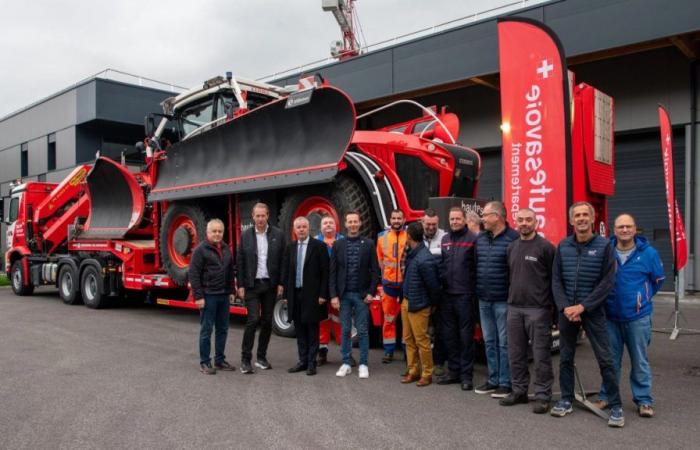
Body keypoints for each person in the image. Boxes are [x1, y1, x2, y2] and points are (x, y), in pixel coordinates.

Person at [550, 201, 624, 428]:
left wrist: (583, 307)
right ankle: (565, 399)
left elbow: (607, 282)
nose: (581, 219)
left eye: (585, 215)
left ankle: (616, 405)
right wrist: (565, 308)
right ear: (571, 220)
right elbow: (556, 280)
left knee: (605, 358)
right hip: (567, 312)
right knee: (566, 357)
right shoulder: (563, 246)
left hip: (593, 311)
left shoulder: (604, 247)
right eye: (577, 216)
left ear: (592, 219)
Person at [596, 213, 664, 418]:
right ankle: (606, 396)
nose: (624, 230)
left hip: (638, 318)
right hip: (610, 317)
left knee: (640, 360)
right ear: (613, 230)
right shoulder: (606, 251)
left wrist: (641, 299)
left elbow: (658, 280)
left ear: (635, 229)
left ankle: (644, 400)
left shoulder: (649, 253)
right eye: (620, 227)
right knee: (610, 361)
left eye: (628, 227)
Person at [500, 208, 556, 413]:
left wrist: (553, 311)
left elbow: (554, 280)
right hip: (514, 308)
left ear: (536, 222)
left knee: (541, 356)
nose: (524, 223)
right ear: (516, 222)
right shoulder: (511, 247)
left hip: (538, 310)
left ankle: (542, 395)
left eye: (528, 220)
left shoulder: (546, 248)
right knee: (516, 354)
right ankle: (519, 391)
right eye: (521, 220)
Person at [474, 201, 519, 398]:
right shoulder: (481, 239)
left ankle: (505, 382)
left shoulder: (514, 239)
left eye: (485, 215)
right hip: (484, 299)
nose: (482, 218)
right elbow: (476, 264)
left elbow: (517, 271)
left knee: (504, 343)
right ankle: (492, 379)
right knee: (489, 341)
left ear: (497, 217)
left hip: (503, 300)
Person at [330, 211, 380, 379]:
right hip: (343, 296)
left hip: (361, 296)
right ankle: (345, 362)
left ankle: (364, 364)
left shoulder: (369, 244)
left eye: (355, 222)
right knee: (344, 330)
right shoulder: (338, 245)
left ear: (360, 224)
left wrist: (371, 292)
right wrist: (334, 295)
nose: (352, 224)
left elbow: (375, 271)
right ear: (345, 224)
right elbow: (333, 272)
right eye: (349, 222)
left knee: (363, 331)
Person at [237, 203, 286, 374]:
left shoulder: (278, 235)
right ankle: (245, 360)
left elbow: (282, 261)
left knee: (267, 321)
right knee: (253, 320)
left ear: (268, 216)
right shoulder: (246, 236)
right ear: (252, 216)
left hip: (270, 285)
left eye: (262, 216)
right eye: (257, 216)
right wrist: (240, 285)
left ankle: (261, 357)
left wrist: (281, 283)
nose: (260, 219)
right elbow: (240, 261)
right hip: (251, 285)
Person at [436, 207, 478, 391]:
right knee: (449, 336)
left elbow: (476, 268)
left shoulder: (473, 240)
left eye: (458, 219)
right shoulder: (445, 240)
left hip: (465, 296)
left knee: (466, 338)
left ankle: (466, 376)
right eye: (452, 219)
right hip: (447, 296)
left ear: (464, 220)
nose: (454, 222)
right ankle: (453, 372)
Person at [282, 217, 330, 376]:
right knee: (300, 329)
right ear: (294, 230)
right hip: (295, 294)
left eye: (304, 227)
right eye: (298, 227)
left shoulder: (319, 247)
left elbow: (325, 273)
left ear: (309, 228)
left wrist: (324, 294)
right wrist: (287, 294)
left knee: (312, 329)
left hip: (313, 295)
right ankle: (302, 361)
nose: (301, 229)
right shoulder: (290, 247)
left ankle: (312, 363)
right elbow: (287, 273)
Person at [189, 219, 236, 374]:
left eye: (220, 231)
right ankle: (204, 362)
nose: (217, 234)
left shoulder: (226, 248)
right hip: (208, 296)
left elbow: (230, 272)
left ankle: (220, 360)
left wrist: (231, 292)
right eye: (214, 231)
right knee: (206, 330)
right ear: (207, 232)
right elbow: (194, 275)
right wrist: (198, 296)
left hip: (223, 295)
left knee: (223, 329)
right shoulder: (200, 250)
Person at [401, 221, 442, 386]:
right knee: (409, 339)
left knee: (421, 341)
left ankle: (427, 373)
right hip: (407, 301)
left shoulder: (424, 258)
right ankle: (413, 370)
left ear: (408, 236)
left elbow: (433, 286)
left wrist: (432, 304)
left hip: (419, 305)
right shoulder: (413, 253)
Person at [376, 209, 408, 363]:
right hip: (389, 285)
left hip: (405, 285)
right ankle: (388, 351)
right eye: (394, 218)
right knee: (389, 319)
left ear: (404, 219)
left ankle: (407, 351)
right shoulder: (382, 237)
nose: (396, 221)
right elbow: (380, 260)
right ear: (390, 219)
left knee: (406, 320)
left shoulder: (409, 236)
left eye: (399, 218)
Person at [317, 215, 346, 366]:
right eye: (325, 223)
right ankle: (322, 353)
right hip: (322, 289)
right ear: (320, 227)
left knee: (341, 321)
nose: (328, 225)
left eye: (331, 223)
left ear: (336, 226)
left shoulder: (344, 241)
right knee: (323, 320)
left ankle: (346, 354)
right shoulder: (315, 242)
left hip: (339, 290)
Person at [421, 208, 447, 376]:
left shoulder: (445, 237)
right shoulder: (415, 237)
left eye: (434, 224)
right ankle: (422, 364)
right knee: (422, 331)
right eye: (428, 224)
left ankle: (438, 363)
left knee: (439, 330)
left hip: (439, 292)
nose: (431, 227)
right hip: (421, 292)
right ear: (422, 223)